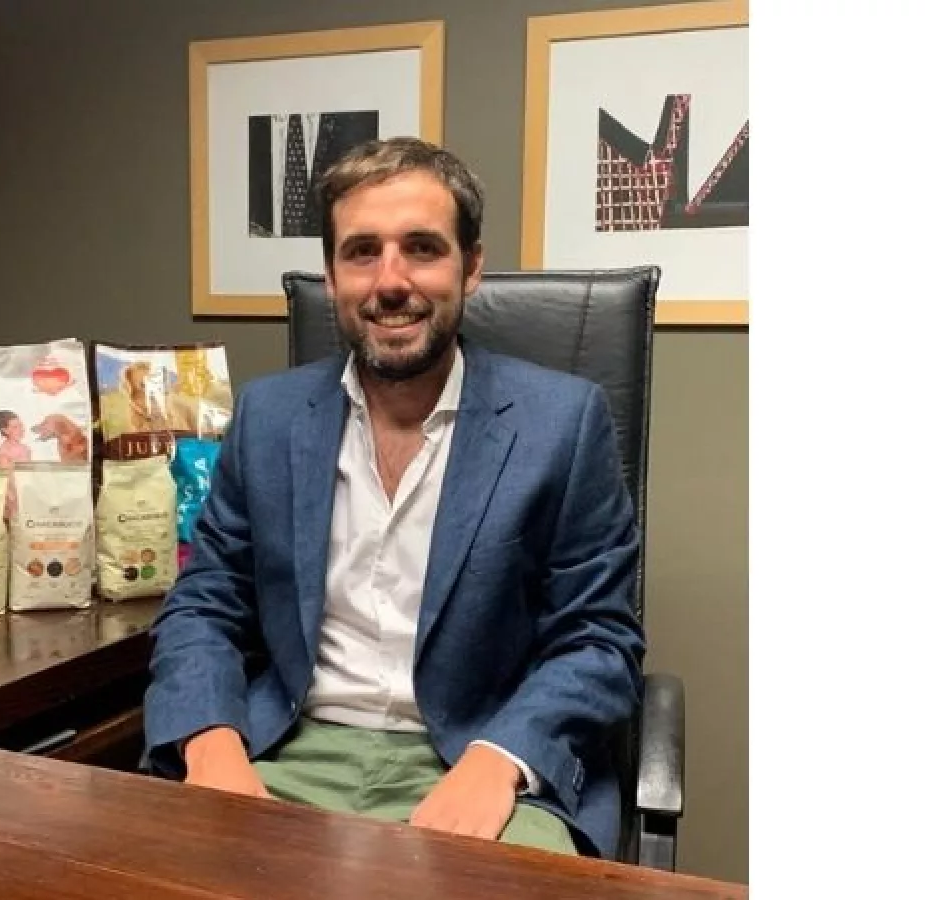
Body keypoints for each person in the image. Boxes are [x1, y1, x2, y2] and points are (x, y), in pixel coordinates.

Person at [143, 137, 645, 858]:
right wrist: (211, 742)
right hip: (285, 750)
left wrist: (498, 761)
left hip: (478, 760)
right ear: (332, 275)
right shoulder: (269, 416)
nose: (391, 281)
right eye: (362, 252)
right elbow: (206, 600)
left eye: (421, 248)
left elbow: (597, 639)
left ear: (471, 266)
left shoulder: (561, 423)